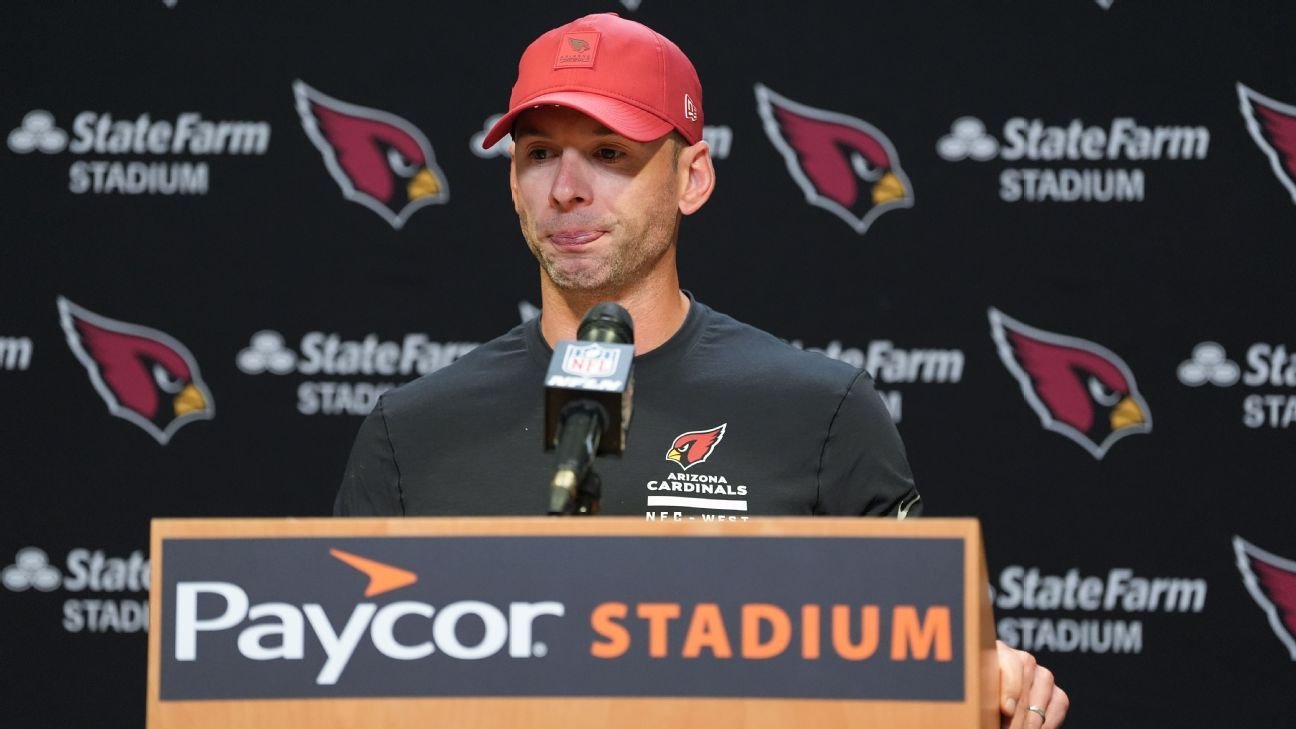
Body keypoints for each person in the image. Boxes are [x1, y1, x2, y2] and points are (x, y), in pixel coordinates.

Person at [336, 12, 1067, 728]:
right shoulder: (412, 432)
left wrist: (990, 684)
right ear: (512, 182)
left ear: (692, 177)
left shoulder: (821, 413)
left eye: (608, 153)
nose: (566, 189)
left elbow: (927, 668)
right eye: (539, 154)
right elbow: (331, 685)